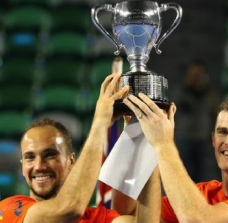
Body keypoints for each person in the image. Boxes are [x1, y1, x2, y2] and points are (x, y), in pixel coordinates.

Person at [0, 73, 161, 223]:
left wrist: (144, 139)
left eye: (50, 155)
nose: (39, 166)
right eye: (30, 157)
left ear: (71, 161)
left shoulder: (97, 218)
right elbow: (69, 209)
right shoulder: (10, 208)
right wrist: (100, 123)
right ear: (22, 166)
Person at [123, 93, 228, 223]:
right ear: (213, 139)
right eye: (223, 132)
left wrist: (163, 144)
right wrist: (135, 139)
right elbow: (130, 214)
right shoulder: (201, 194)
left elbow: (196, 219)